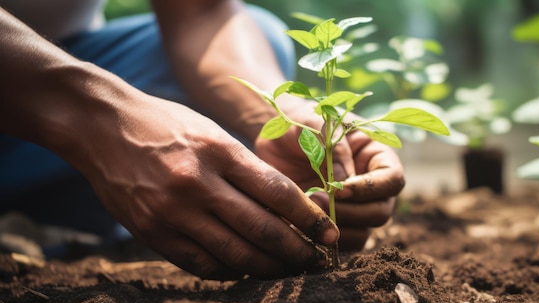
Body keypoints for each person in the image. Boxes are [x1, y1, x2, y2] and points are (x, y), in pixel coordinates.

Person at [0, 0, 405, 280]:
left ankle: (53, 217)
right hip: (36, 89)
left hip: (59, 77)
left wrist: (277, 118)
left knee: (261, 34)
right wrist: (100, 123)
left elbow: (202, 12)